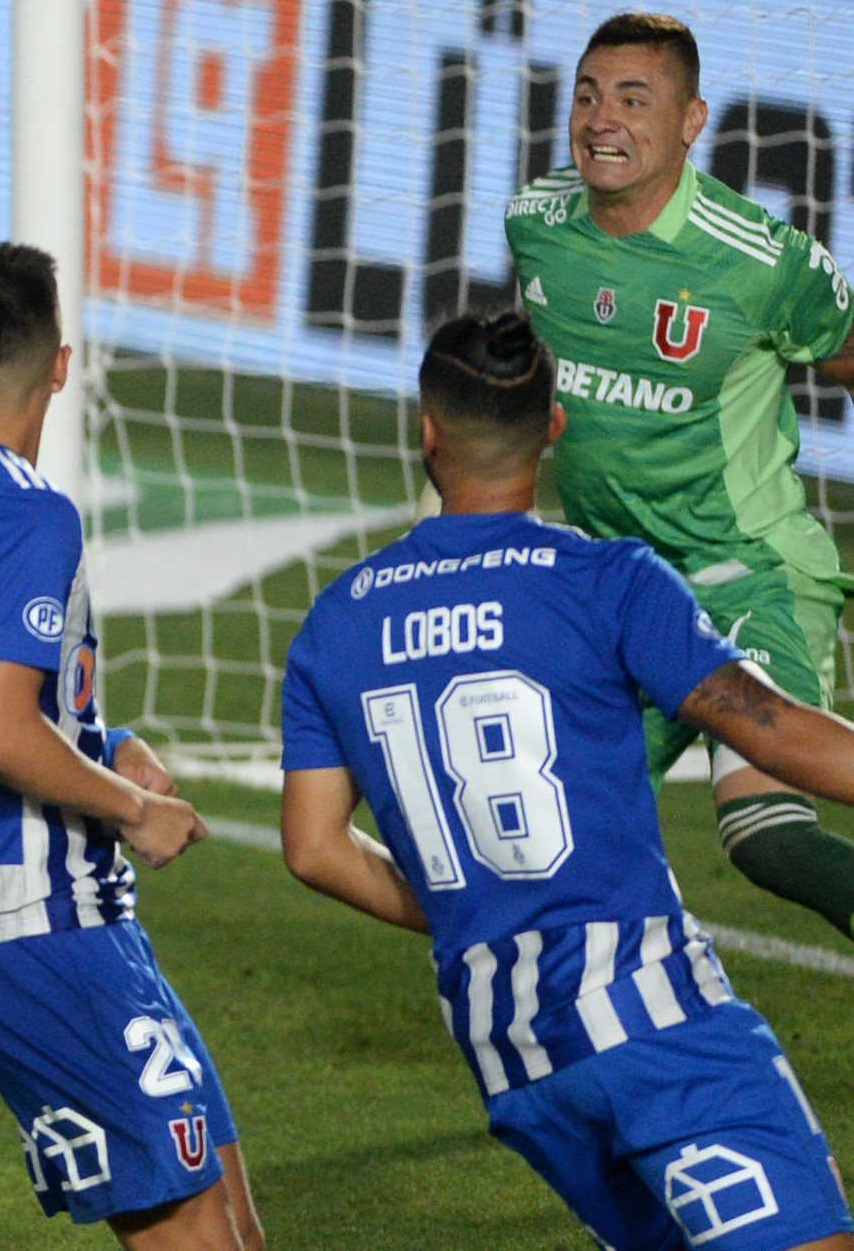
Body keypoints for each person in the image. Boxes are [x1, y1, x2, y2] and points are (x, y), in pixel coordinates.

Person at [280, 309, 854, 1251]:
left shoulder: (337, 622)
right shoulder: (607, 580)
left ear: (426, 430)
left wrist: (480, 911)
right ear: (554, 429)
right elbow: (775, 731)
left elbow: (310, 847)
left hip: (512, 1054)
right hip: (652, 1020)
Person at [0, 243, 262, 1249]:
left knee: (228, 1221)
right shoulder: (22, 509)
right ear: (61, 363)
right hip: (41, 929)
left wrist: (102, 741)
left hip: (43, 927)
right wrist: (133, 809)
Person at [503, 12, 854, 941]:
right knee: (537, 824)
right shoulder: (536, 226)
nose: (599, 118)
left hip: (748, 572)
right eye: (585, 95)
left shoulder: (757, 261)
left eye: (631, 98)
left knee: (768, 838)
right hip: (616, 588)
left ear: (692, 119)